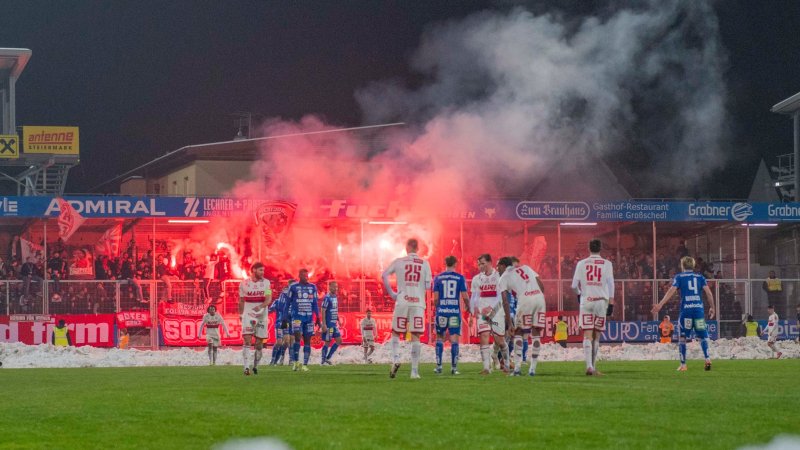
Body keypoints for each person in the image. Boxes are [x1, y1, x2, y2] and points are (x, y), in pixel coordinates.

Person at [652, 256, 715, 372]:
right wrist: (712, 307)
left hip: (686, 311)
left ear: (682, 266)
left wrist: (660, 304)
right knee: (702, 337)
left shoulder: (679, 277)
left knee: (682, 338)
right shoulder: (700, 277)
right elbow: (709, 293)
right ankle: (707, 359)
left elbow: (671, 291)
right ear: (693, 265)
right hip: (698, 312)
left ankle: (683, 365)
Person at [382, 238, 432, 379]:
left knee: (396, 332)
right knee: (416, 335)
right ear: (418, 248)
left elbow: (384, 274)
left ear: (407, 247)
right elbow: (428, 286)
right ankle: (414, 372)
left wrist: (392, 293)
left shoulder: (399, 261)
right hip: (418, 303)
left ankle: (396, 358)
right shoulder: (425, 263)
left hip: (402, 301)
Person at [571, 239, 615, 376]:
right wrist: (611, 302)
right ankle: (593, 367)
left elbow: (573, 286)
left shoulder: (581, 263)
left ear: (588, 248)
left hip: (587, 301)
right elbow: (611, 284)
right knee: (597, 336)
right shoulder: (607, 264)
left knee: (587, 335)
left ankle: (589, 366)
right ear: (600, 248)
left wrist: (579, 295)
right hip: (601, 302)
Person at [497, 256, 546, 377]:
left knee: (518, 332)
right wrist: (537, 296)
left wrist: (509, 323)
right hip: (539, 298)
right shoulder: (526, 268)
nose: (497, 269)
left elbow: (505, 301)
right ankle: (532, 369)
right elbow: (541, 285)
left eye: (498, 266)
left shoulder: (504, 277)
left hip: (525, 300)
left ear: (503, 266)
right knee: (536, 333)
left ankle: (518, 369)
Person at [470, 253, 509, 375]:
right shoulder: (477, 279)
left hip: (497, 312)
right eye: (478, 264)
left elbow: (501, 296)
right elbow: (474, 297)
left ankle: (506, 364)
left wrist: (492, 309)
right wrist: (472, 314)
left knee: (500, 340)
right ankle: (486, 368)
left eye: (482, 263)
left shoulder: (499, 277)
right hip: (483, 314)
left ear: (489, 262)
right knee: (484, 336)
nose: (480, 266)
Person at [432, 255, 469, 375]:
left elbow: (435, 299)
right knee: (454, 340)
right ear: (455, 264)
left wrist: (438, 309)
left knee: (439, 338)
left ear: (445, 263)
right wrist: (468, 306)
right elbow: (464, 296)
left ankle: (439, 366)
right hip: (454, 313)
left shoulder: (438, 278)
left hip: (442, 312)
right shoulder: (460, 278)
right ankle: (454, 368)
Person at [238, 262, 273, 376]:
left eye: (263, 270)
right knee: (247, 339)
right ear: (253, 270)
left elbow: (268, 299)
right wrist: (240, 314)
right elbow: (241, 300)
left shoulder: (267, 283)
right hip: (248, 315)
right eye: (260, 270)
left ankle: (255, 366)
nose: (263, 272)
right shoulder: (244, 284)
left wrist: (260, 306)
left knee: (259, 344)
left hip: (262, 316)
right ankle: (246, 368)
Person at [287, 268, 320, 372]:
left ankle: (305, 364)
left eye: (307, 276)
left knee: (307, 340)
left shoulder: (312, 287)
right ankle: (296, 362)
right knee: (297, 337)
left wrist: (318, 317)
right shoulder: (293, 287)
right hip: (297, 317)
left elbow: (315, 303)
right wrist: (285, 317)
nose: (306, 278)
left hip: (309, 318)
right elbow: (288, 303)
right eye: (304, 276)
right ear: (299, 276)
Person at [268, 279, 294, 366]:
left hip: (288, 322)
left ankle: (282, 358)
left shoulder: (294, 299)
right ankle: (273, 359)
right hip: (280, 322)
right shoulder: (279, 299)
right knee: (279, 342)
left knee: (287, 341)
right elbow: (270, 310)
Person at [320, 281, 342, 365]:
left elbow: (334, 310)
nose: (336, 288)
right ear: (330, 287)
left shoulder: (335, 296)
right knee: (327, 342)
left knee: (339, 340)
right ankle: (323, 360)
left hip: (334, 324)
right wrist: (324, 324)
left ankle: (328, 358)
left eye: (336, 287)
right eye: (334, 287)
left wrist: (338, 320)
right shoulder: (327, 297)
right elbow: (323, 310)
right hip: (329, 324)